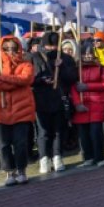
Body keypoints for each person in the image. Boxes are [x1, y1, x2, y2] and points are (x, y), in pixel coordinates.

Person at [0, 36, 36, 186]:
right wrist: (14, 82)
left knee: (21, 143)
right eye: (6, 48)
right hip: (0, 110)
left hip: (22, 110)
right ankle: (9, 171)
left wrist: (4, 79)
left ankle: (21, 170)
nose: (10, 51)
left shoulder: (26, 64)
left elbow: (26, 79)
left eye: (13, 48)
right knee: (3, 144)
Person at [30, 31, 78, 174]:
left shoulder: (66, 58)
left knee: (59, 131)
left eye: (54, 46)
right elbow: (29, 78)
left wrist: (61, 67)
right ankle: (44, 158)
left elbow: (73, 78)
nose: (51, 49)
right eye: (48, 46)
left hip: (60, 99)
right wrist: (41, 80)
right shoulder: (34, 57)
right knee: (43, 131)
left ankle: (57, 156)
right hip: (41, 99)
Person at [71, 42, 104, 167]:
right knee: (83, 134)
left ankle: (99, 157)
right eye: (85, 54)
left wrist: (87, 86)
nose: (88, 56)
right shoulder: (76, 69)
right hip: (82, 104)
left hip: (96, 104)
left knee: (96, 132)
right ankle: (88, 157)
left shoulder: (101, 68)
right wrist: (77, 103)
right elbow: (73, 88)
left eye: (90, 54)